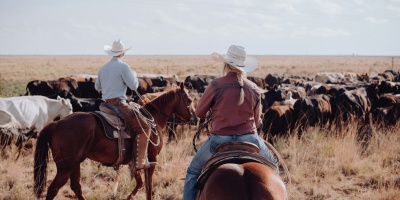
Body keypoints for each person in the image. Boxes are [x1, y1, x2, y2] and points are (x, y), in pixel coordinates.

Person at [182, 45, 279, 200]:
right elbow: (256, 120)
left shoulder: (216, 85)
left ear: (226, 64)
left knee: (192, 172)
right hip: (250, 139)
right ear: (243, 66)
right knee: (275, 168)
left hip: (219, 140)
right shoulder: (254, 88)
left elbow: (199, 113)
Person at [95, 39, 156, 172]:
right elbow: (134, 86)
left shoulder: (103, 68)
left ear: (112, 52)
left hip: (104, 105)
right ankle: (140, 162)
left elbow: (97, 87)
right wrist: (133, 75)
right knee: (144, 127)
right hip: (119, 104)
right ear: (122, 53)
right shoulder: (124, 67)